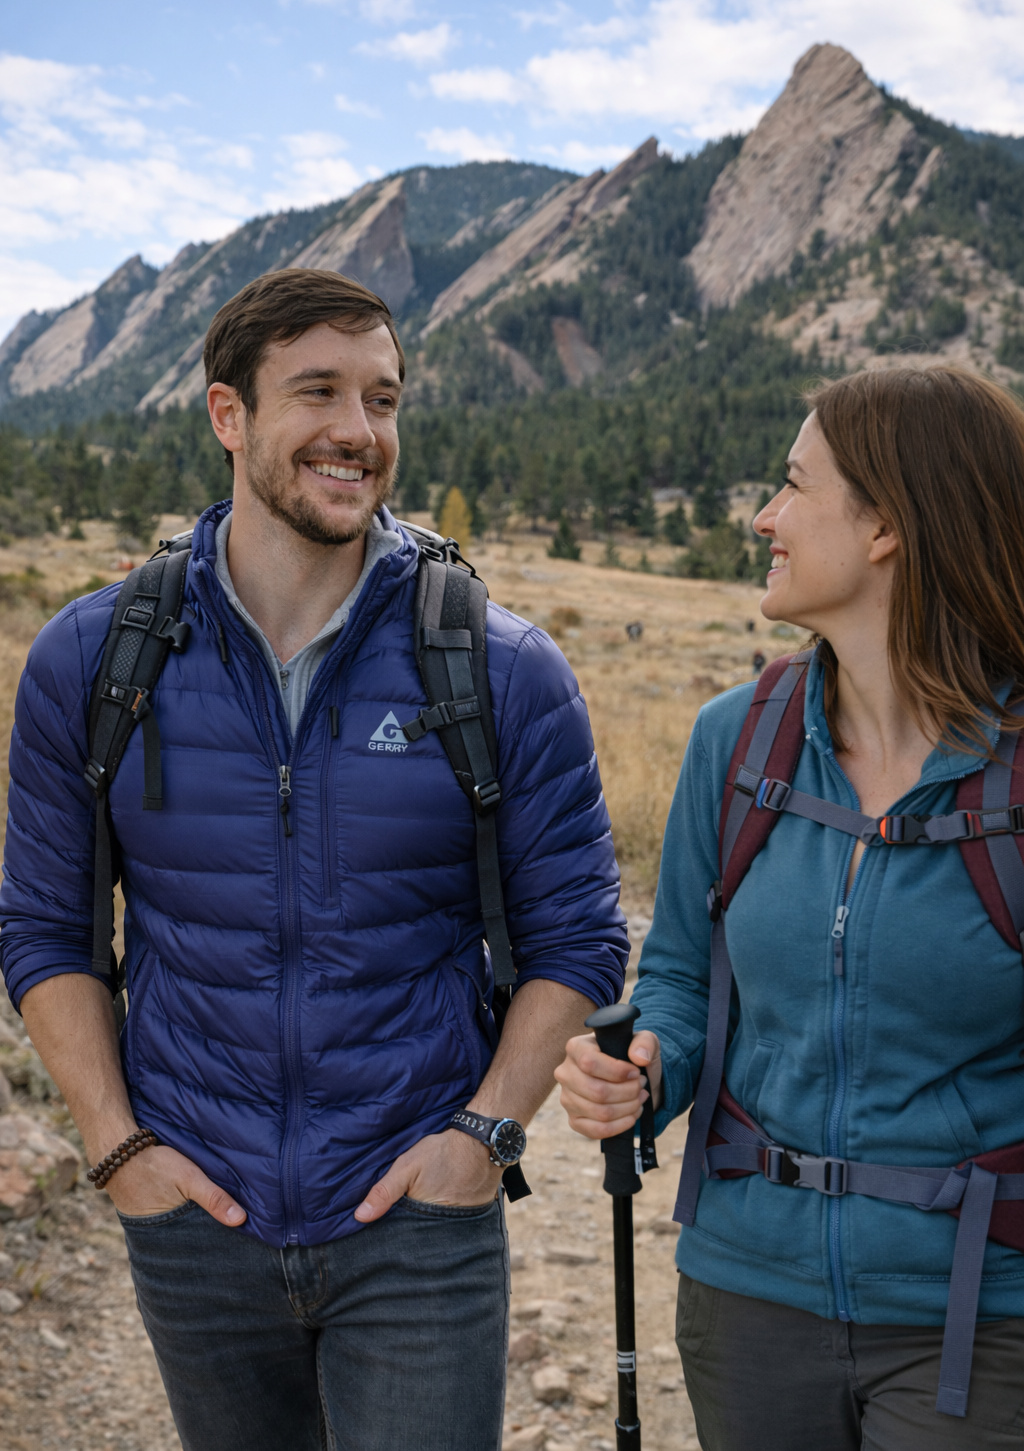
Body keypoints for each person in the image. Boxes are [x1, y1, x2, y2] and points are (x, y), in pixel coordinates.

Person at [0, 268, 628, 1451]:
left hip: (417, 1225)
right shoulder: (94, 661)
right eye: (320, 393)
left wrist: (484, 1137)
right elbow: (43, 928)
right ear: (228, 416)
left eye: (383, 399)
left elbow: (580, 936)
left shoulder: (500, 669)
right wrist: (118, 1148)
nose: (360, 431)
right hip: (194, 1218)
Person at [556, 366, 1024, 1450]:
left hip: (976, 1318)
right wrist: (648, 1068)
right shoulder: (737, 740)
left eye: (793, 485)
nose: (763, 517)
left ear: (887, 528)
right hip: (747, 1291)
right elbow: (676, 970)